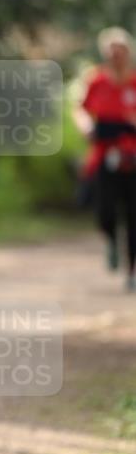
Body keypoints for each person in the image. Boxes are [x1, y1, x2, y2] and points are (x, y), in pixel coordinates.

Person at [73, 27, 136, 293]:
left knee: (133, 214)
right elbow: (81, 109)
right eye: (111, 51)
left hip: (132, 154)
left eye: (120, 51)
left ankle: (131, 272)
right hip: (103, 152)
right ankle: (110, 238)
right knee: (104, 210)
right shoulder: (96, 80)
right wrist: (86, 126)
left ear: (128, 52)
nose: (115, 56)